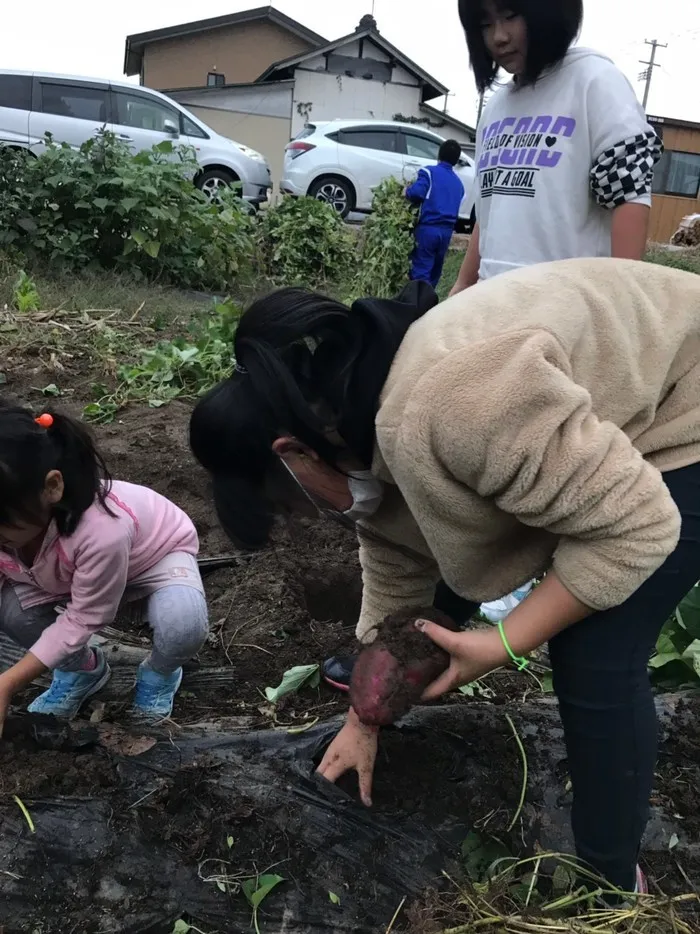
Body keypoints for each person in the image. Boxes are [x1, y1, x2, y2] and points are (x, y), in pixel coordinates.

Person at [189, 258, 700, 894]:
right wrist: (364, 716)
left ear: (291, 452)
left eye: (294, 502)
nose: (313, 516)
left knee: (595, 649)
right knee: (459, 550)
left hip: (685, 407)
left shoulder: (451, 408)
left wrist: (504, 642)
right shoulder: (354, 424)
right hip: (606, 416)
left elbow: (638, 526)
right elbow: (398, 572)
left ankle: (614, 884)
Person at [449, 0, 663, 623]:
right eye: (484, 23)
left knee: (556, 451)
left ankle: (549, 583)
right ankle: (498, 571)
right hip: (496, 306)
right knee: (495, 444)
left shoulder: (594, 79)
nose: (498, 36)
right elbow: (491, 214)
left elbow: (630, 197)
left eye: (511, 16)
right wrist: (460, 296)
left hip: (568, 310)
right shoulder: (499, 105)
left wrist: (624, 302)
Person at [0, 403, 209, 729]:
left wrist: (8, 682)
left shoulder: (101, 530)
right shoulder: (15, 531)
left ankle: (160, 671)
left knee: (184, 624)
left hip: (152, 558)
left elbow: (85, 616)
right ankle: (82, 670)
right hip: (65, 573)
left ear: (52, 487)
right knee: (12, 611)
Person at [405, 139, 465, 289]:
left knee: (421, 271)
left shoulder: (429, 172)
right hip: (446, 233)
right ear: (456, 160)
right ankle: (431, 302)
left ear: (439, 155)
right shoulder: (459, 184)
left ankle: (418, 305)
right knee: (435, 272)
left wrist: (406, 191)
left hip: (428, 229)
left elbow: (417, 193)